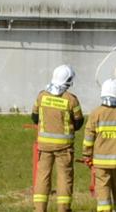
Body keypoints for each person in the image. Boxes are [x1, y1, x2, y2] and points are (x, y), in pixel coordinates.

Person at [31, 65, 84, 212]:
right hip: (64, 148)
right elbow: (79, 122)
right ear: (67, 81)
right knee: (64, 178)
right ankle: (63, 209)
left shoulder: (41, 96)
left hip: (44, 147)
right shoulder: (71, 100)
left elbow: (34, 117)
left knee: (42, 177)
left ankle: (39, 209)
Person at [83, 79, 116, 212]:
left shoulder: (96, 113)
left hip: (101, 163)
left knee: (103, 190)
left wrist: (87, 155)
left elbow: (89, 138)